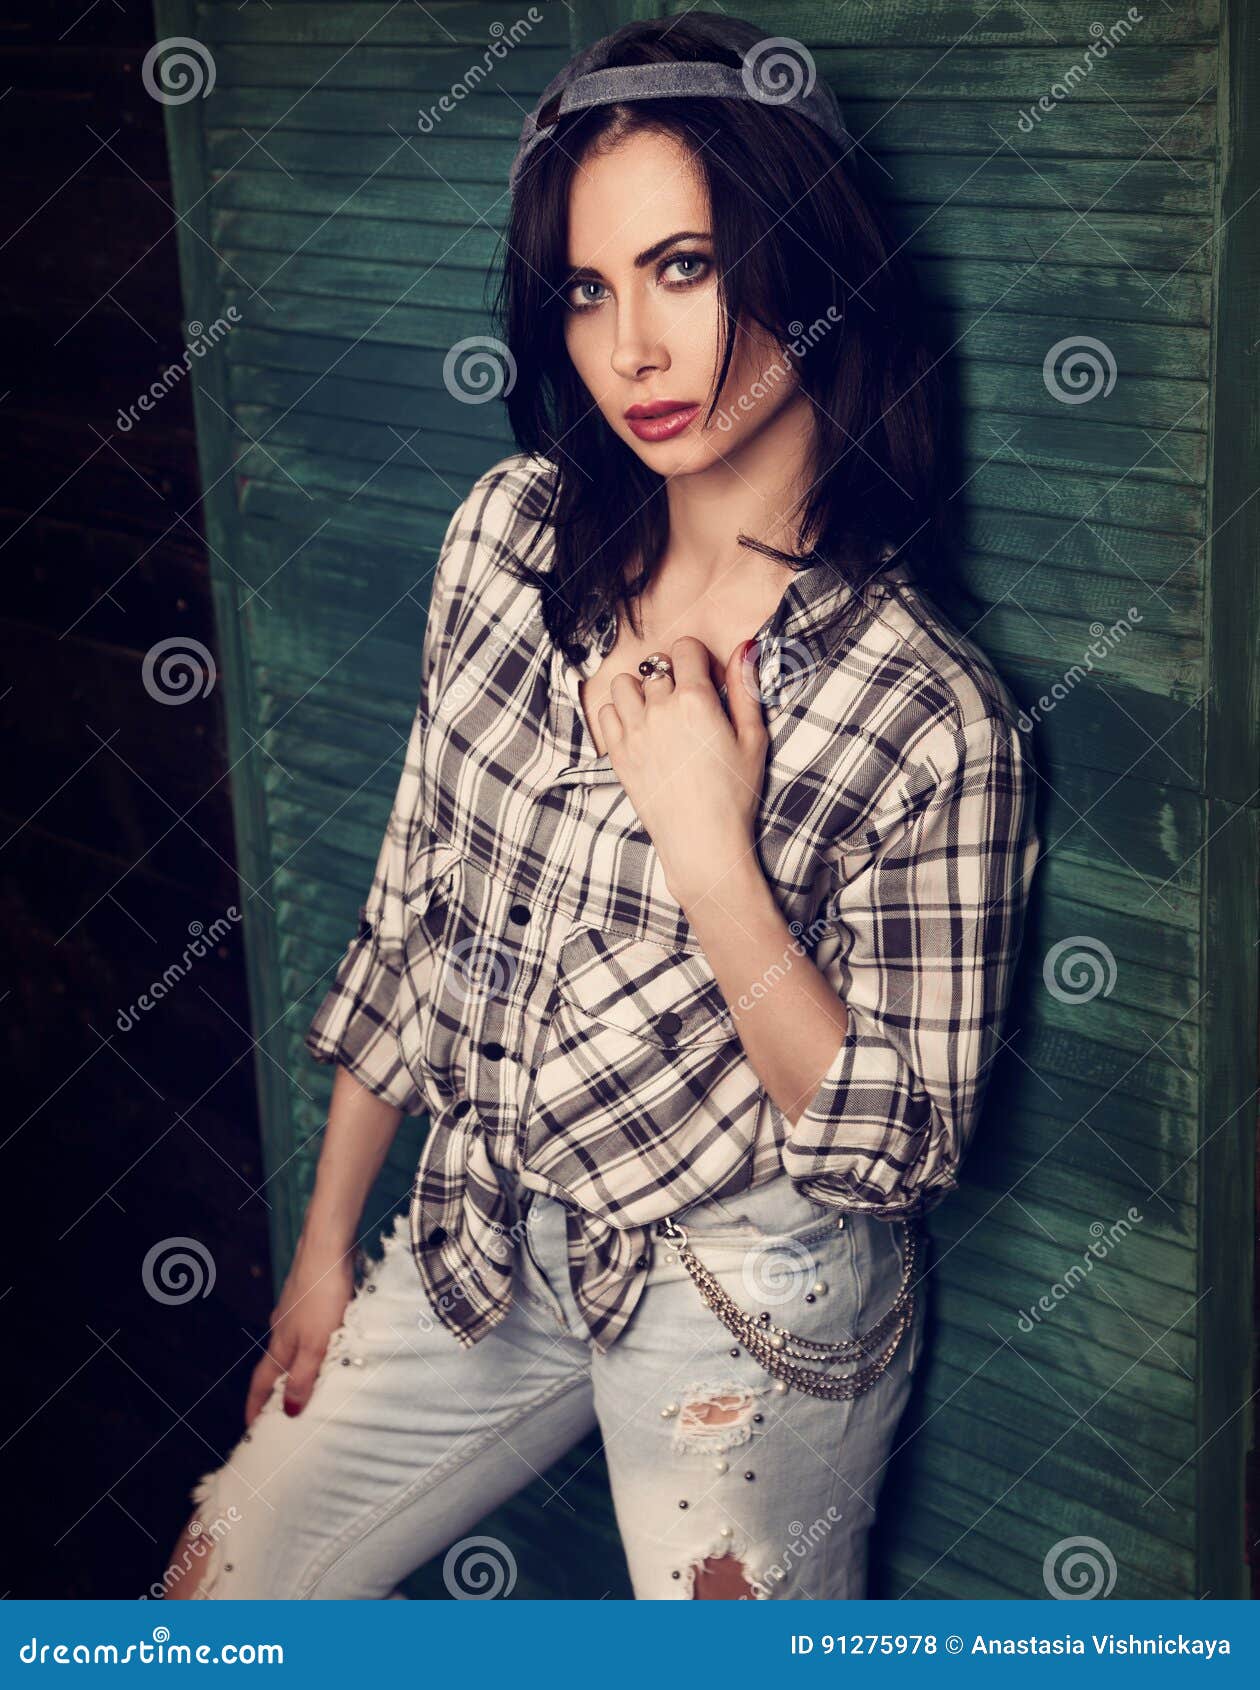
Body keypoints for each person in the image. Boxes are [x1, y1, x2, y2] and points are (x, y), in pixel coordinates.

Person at [163, 10, 1039, 1601]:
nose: (631, 345)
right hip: (491, 1222)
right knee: (217, 1597)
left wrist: (715, 852)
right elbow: (421, 887)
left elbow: (894, 1148)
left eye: (686, 268)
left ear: (807, 261)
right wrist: (325, 1237)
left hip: (748, 1285)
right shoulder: (510, 535)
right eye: (588, 287)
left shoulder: (926, 709)